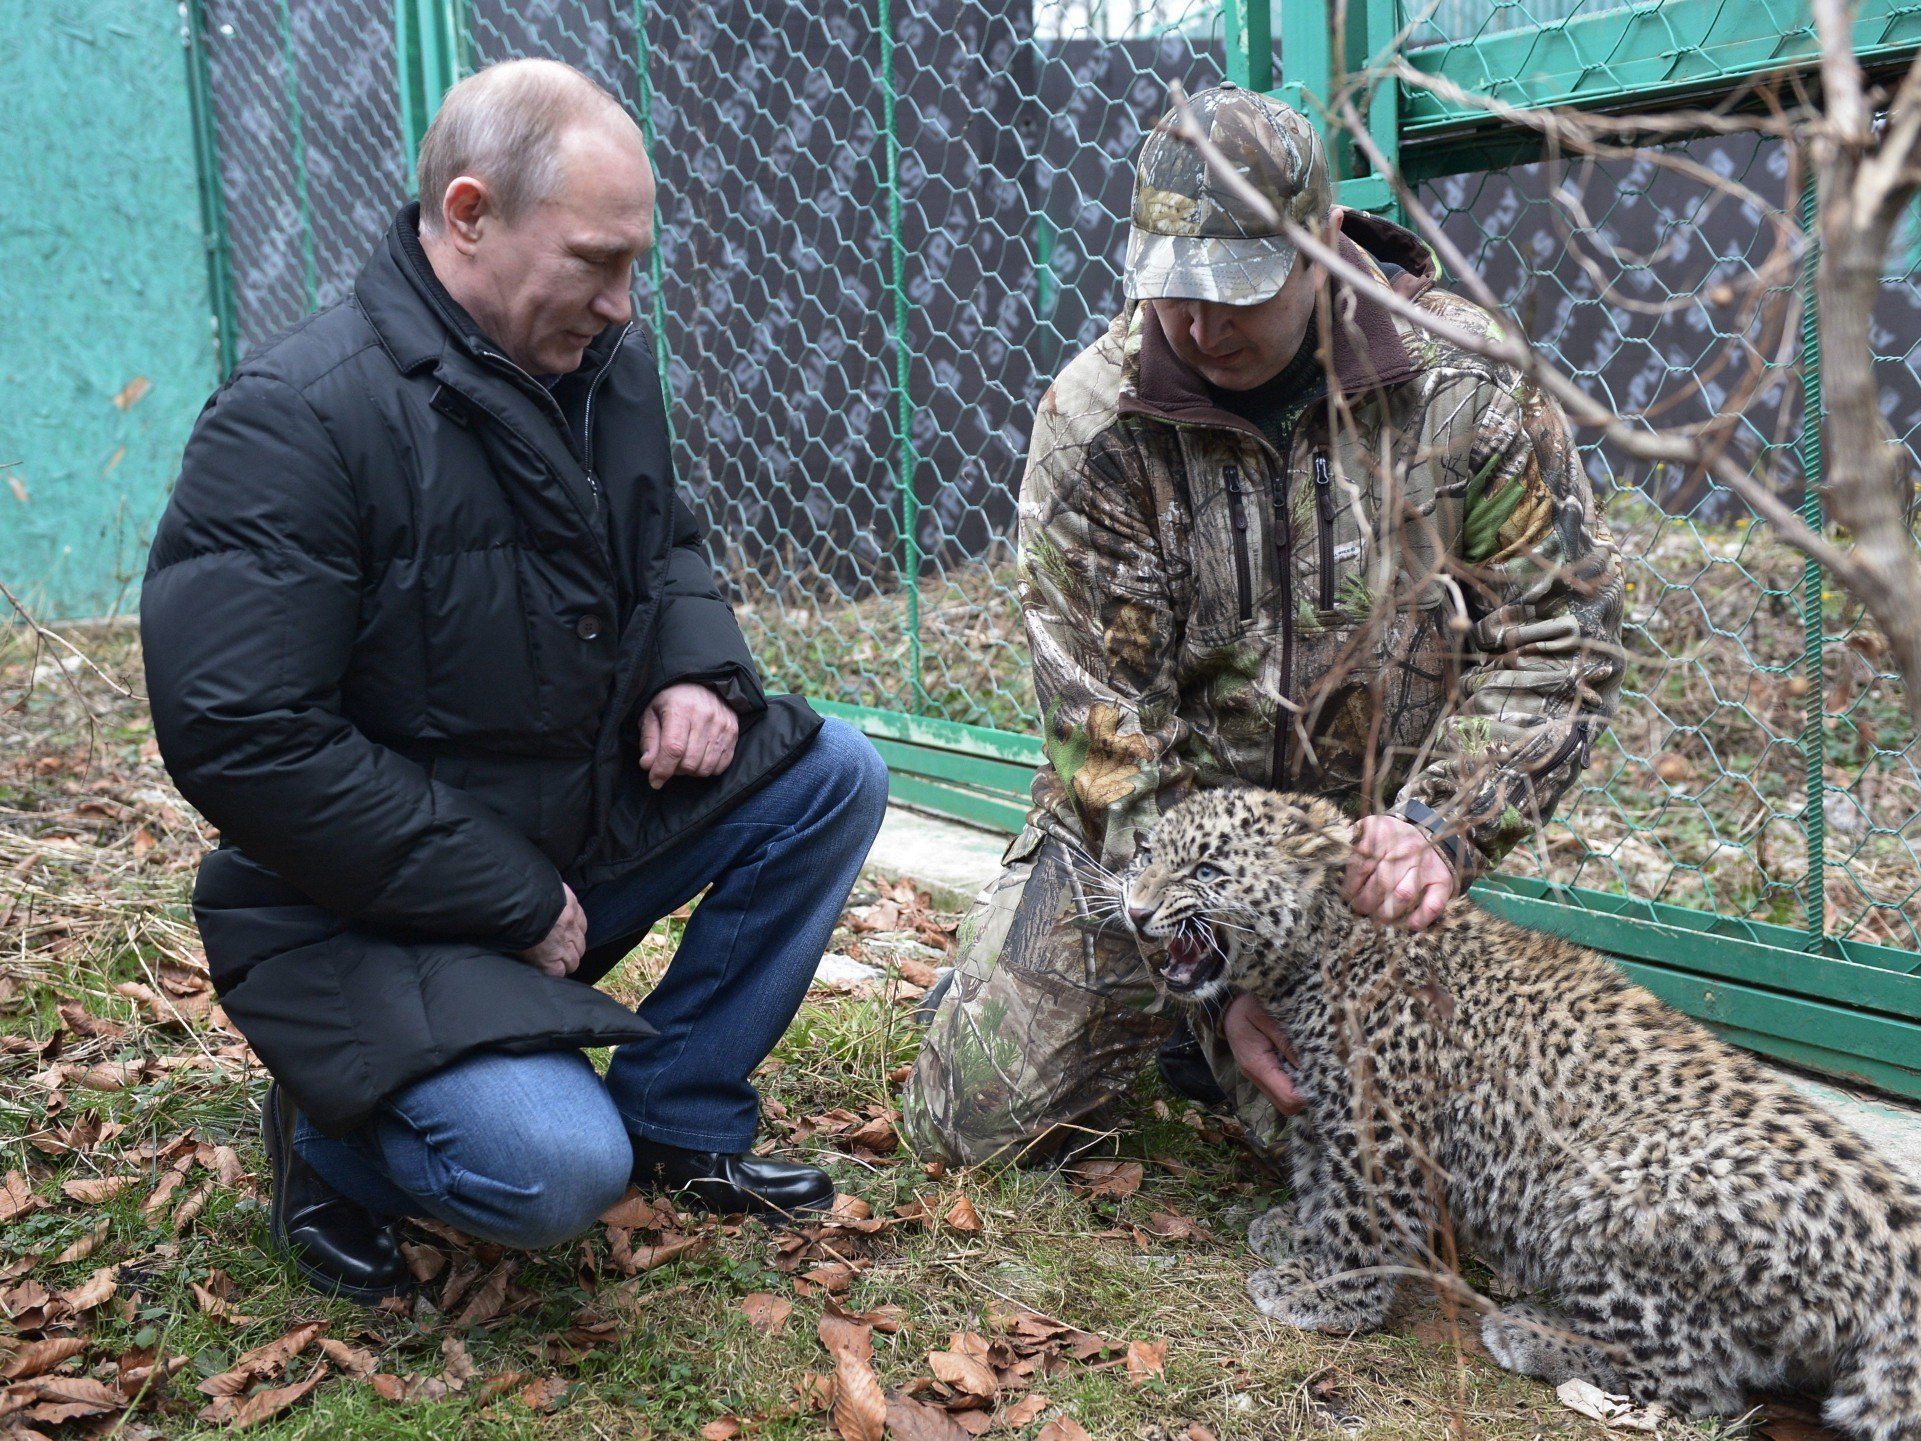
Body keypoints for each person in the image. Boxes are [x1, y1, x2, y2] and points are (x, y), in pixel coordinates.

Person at [141, 59, 889, 1303]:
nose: (623, 302)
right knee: (548, 1175)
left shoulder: (595, 366)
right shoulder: (298, 420)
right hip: (371, 908)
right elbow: (243, 735)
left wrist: (693, 668)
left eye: (635, 262)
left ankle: (683, 1111)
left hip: (564, 824)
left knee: (833, 775)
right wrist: (506, 894)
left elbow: (664, 544)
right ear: (471, 214)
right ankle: (329, 1137)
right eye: (597, 260)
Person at [902, 83, 1625, 1166]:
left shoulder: (1466, 388)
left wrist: (1438, 827)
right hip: (1152, 855)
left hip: (1356, 866)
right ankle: (1101, 994)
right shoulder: (1092, 425)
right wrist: (1215, 964)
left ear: (1323, 246)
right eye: (1173, 292)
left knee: (1440, 1168)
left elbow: (1561, 640)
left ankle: (1216, 1046)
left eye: (1238, 290)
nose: (1200, 327)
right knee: (975, 1132)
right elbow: (1099, 739)